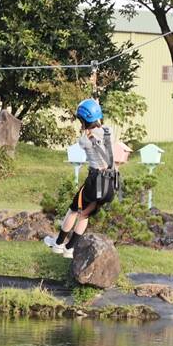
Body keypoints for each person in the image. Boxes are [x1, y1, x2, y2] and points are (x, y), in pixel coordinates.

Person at [43, 98, 120, 258]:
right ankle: (70, 248)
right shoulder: (109, 131)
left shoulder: (84, 140)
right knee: (85, 214)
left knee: (73, 210)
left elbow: (88, 135)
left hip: (94, 182)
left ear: (83, 119)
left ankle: (58, 244)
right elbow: (101, 128)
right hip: (110, 185)